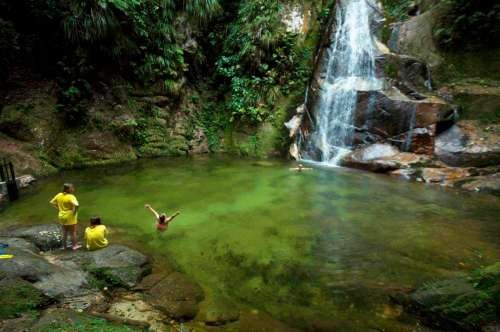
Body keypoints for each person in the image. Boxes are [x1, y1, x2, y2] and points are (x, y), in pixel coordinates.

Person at [50, 183, 81, 250]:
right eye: (72, 188)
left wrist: (59, 209)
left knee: (64, 231)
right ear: (68, 189)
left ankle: (64, 246)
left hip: (61, 215)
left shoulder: (59, 195)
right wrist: (74, 212)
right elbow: (77, 205)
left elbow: (52, 202)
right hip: (70, 216)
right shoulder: (71, 196)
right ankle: (74, 245)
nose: (73, 189)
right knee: (73, 232)